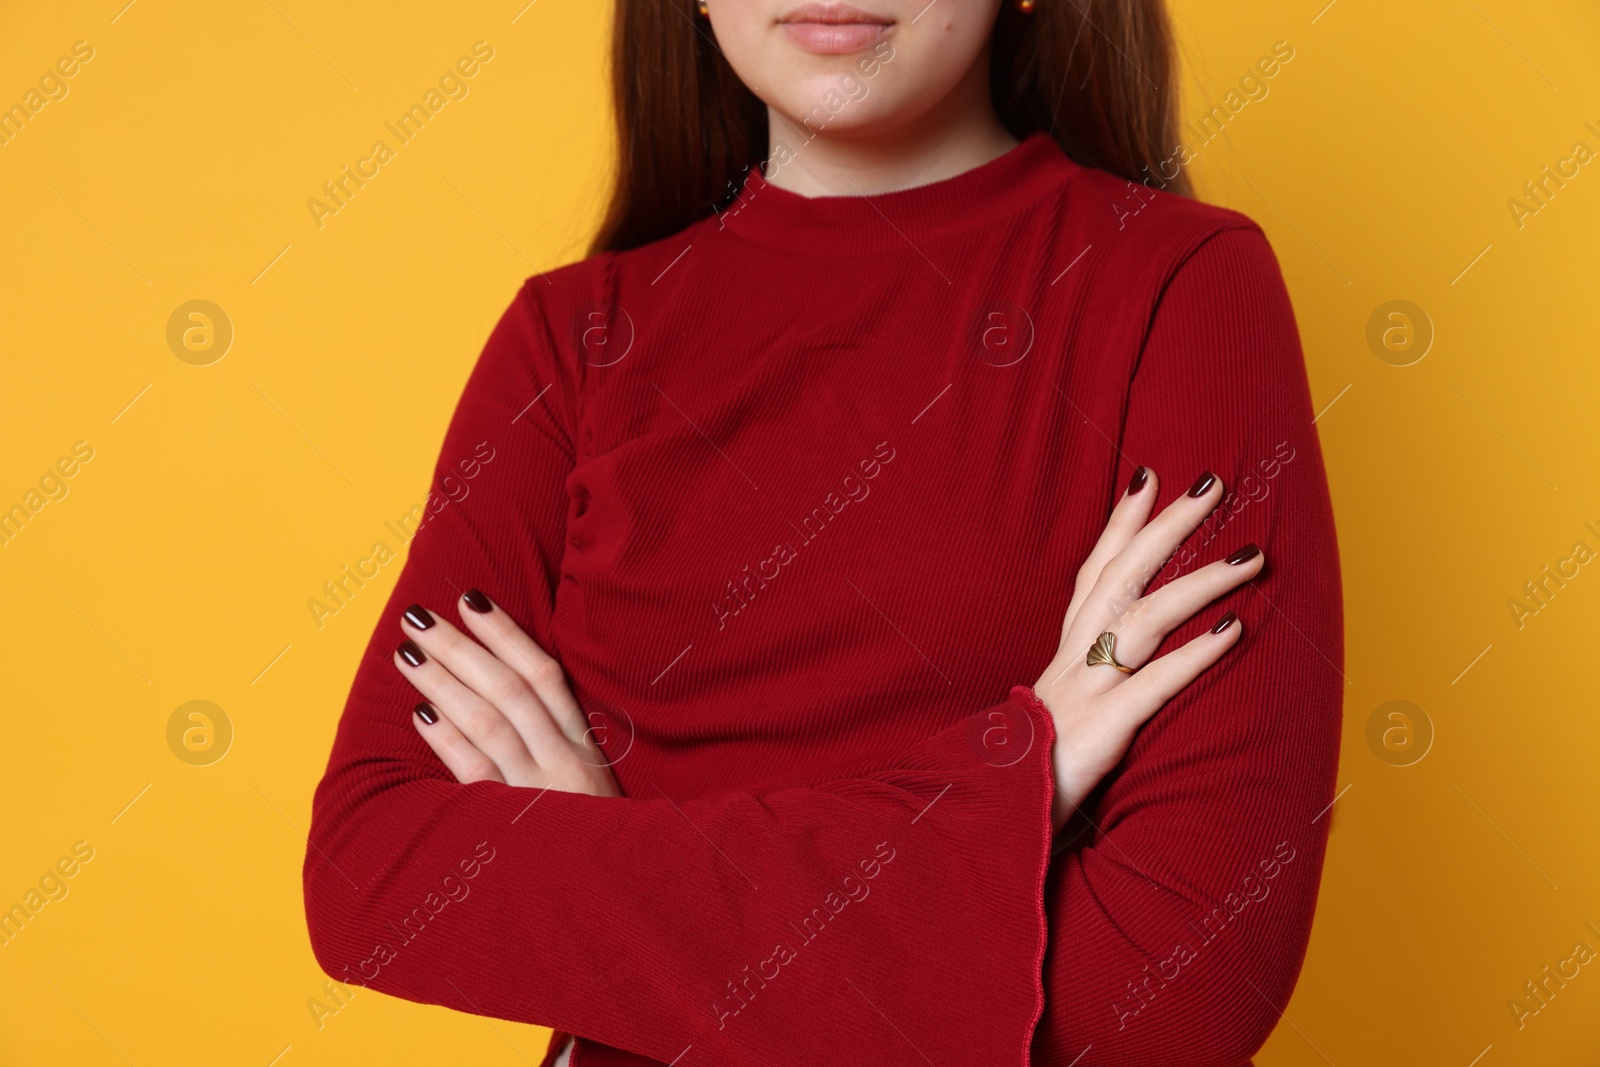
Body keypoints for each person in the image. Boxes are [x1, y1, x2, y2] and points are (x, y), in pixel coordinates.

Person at [303, 1, 1343, 1064]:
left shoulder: (1176, 285)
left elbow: (1173, 999)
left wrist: (600, 859)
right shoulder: (570, 341)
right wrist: (1010, 781)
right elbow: (373, 876)